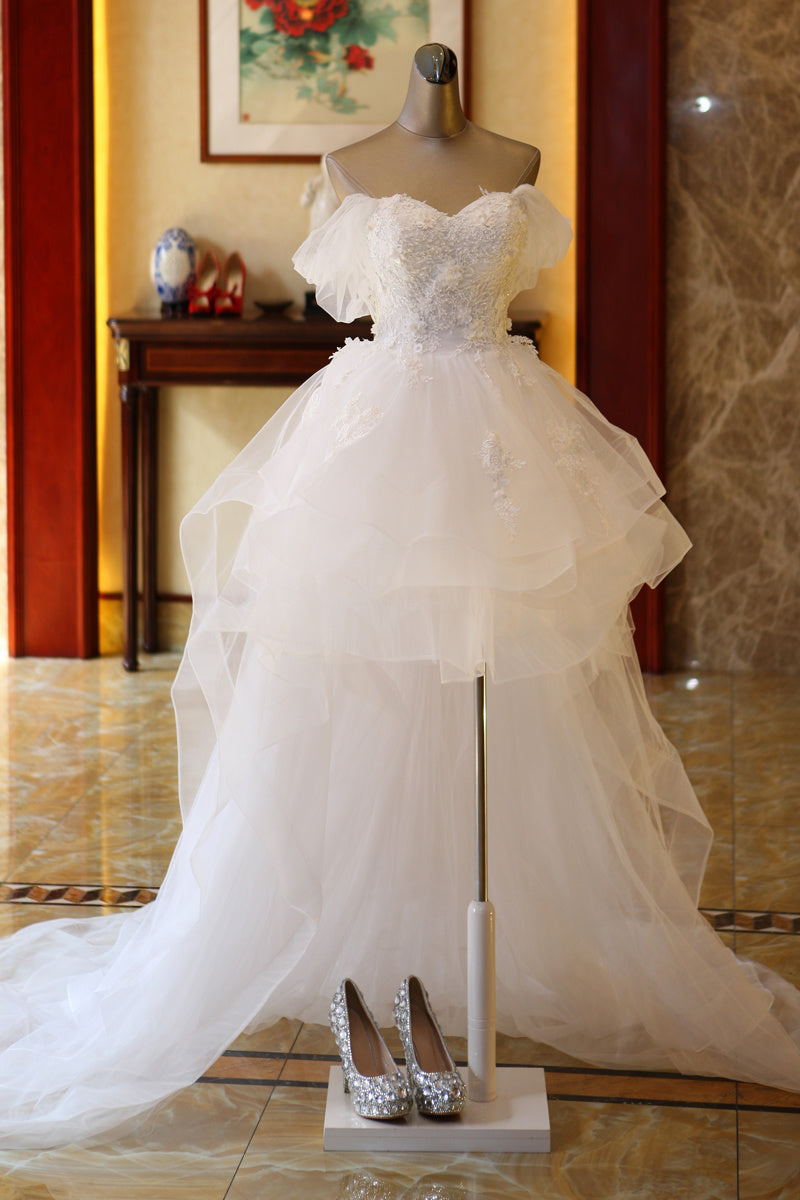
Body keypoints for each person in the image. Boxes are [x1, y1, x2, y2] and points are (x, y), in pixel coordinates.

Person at [0, 43, 798, 1150]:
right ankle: (373, 986)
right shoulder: (351, 161)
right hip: (376, 448)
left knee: (512, 697)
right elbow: (349, 293)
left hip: (500, 446)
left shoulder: (517, 158)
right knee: (350, 688)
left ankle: (449, 976)